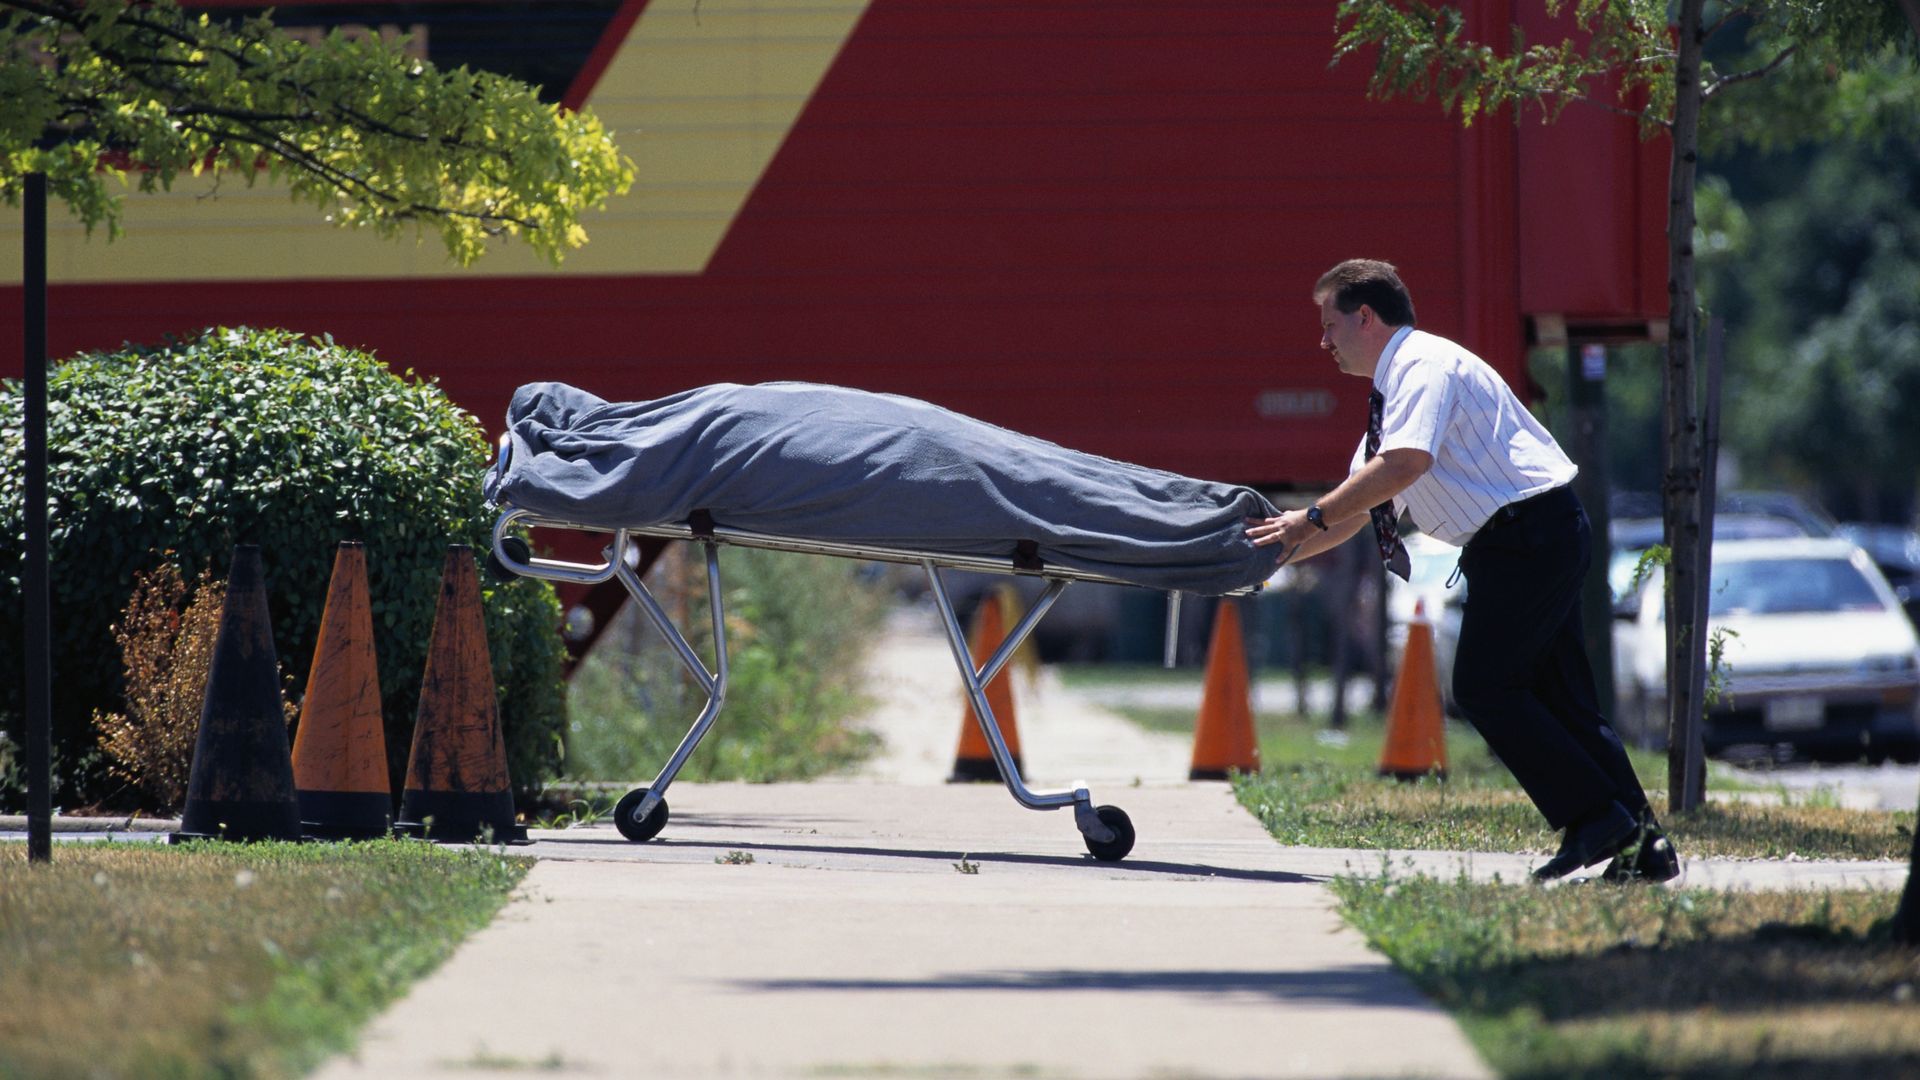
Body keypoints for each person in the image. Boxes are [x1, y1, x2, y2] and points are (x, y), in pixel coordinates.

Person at [1246, 258, 1679, 883]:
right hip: (1533, 534)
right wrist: (1276, 550)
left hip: (1528, 535)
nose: (1324, 342)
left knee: (1485, 687)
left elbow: (1404, 465)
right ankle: (1643, 846)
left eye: (1330, 324)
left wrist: (1306, 518)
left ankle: (1597, 820)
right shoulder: (1396, 389)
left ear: (1366, 316)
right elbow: (1361, 503)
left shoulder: (1422, 366)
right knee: (1564, 703)